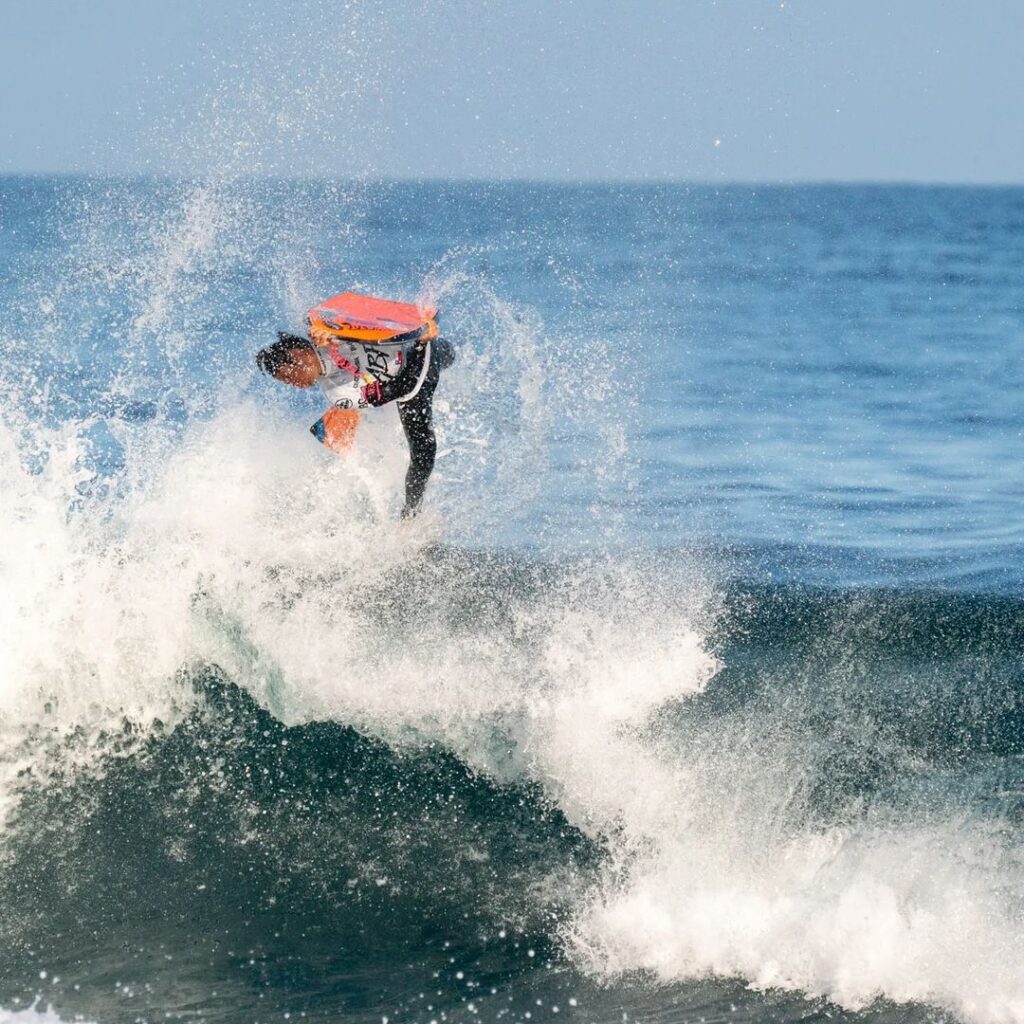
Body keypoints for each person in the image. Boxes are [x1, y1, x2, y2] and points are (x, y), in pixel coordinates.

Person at [256, 329, 455, 518]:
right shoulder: (338, 395)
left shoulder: (328, 334)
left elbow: (351, 315)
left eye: (289, 377)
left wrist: (329, 329)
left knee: (450, 352)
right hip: (416, 370)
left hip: (419, 343)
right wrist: (422, 343)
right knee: (423, 453)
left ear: (299, 354)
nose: (294, 385)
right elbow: (403, 387)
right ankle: (411, 515)